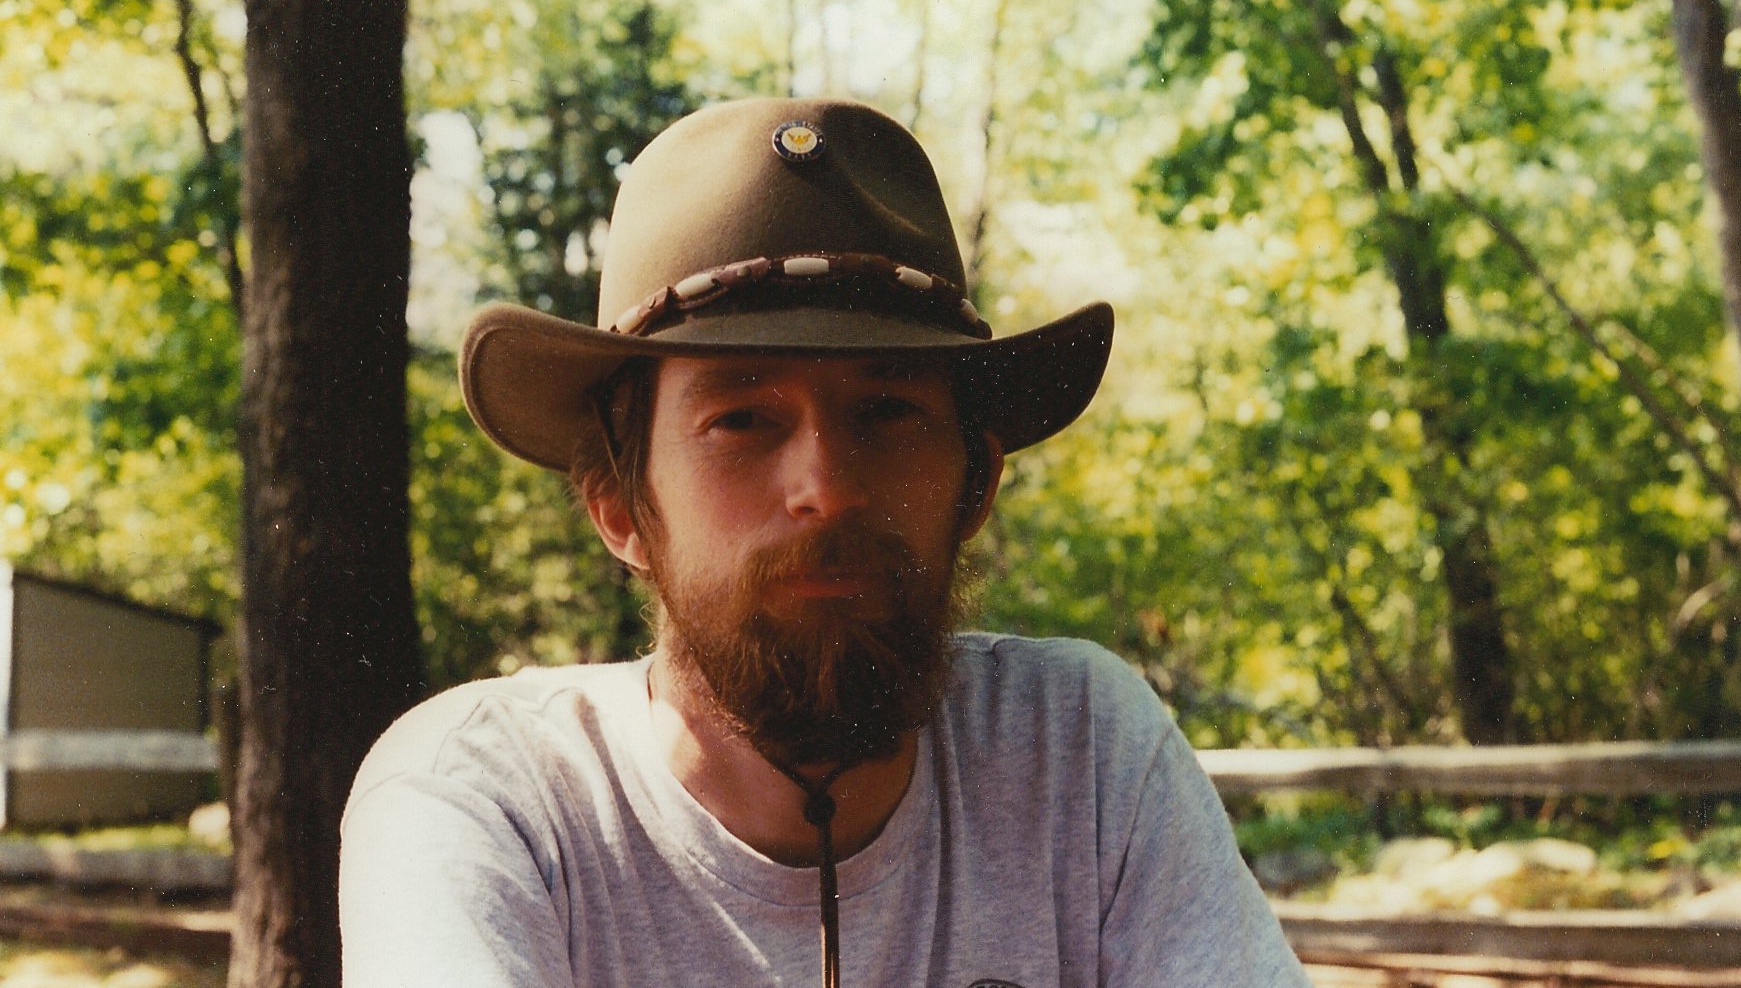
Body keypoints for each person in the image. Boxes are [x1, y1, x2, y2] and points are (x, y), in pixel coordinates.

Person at [339, 97, 1312, 987]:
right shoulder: (489, 799)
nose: (828, 488)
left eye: (886, 410)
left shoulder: (1080, 754)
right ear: (621, 507)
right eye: (740, 420)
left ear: (974, 484)